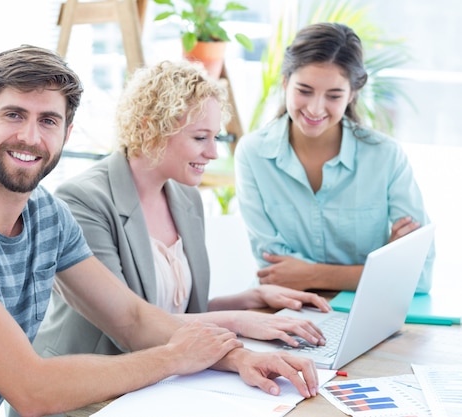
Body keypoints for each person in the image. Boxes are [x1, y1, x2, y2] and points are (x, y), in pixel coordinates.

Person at [0, 46, 321, 417]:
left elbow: (131, 318)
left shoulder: (46, 215)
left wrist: (236, 357)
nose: (31, 137)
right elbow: (31, 390)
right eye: (14, 115)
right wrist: (175, 357)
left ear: (67, 134)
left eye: (48, 120)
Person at [30, 59, 331, 377]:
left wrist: (249, 299)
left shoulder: (185, 197)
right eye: (201, 138)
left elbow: (175, 313)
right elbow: (130, 322)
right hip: (87, 383)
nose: (214, 153)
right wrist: (238, 320)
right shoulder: (84, 201)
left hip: (161, 377)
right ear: (149, 129)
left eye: (216, 137)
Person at [234, 22, 434, 294]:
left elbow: (417, 275)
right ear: (285, 82)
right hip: (282, 311)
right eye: (304, 91)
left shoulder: (385, 157)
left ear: (352, 94)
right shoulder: (253, 153)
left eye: (334, 95)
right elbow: (274, 273)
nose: (315, 108)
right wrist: (375, 270)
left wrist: (311, 275)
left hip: (367, 313)